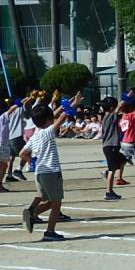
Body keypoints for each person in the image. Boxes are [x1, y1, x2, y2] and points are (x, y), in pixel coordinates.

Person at [19, 96, 81, 242]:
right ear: (48, 120)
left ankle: (32, 213)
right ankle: (49, 231)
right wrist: (73, 104)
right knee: (56, 204)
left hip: (40, 172)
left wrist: (32, 161)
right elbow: (62, 118)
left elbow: (22, 153)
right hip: (51, 172)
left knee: (47, 200)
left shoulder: (35, 136)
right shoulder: (48, 132)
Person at [99, 97, 124, 201]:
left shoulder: (106, 116)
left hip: (111, 146)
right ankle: (108, 192)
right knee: (112, 170)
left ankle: (106, 173)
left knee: (123, 159)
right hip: (110, 146)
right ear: (111, 107)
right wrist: (123, 101)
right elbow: (118, 108)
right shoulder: (109, 116)